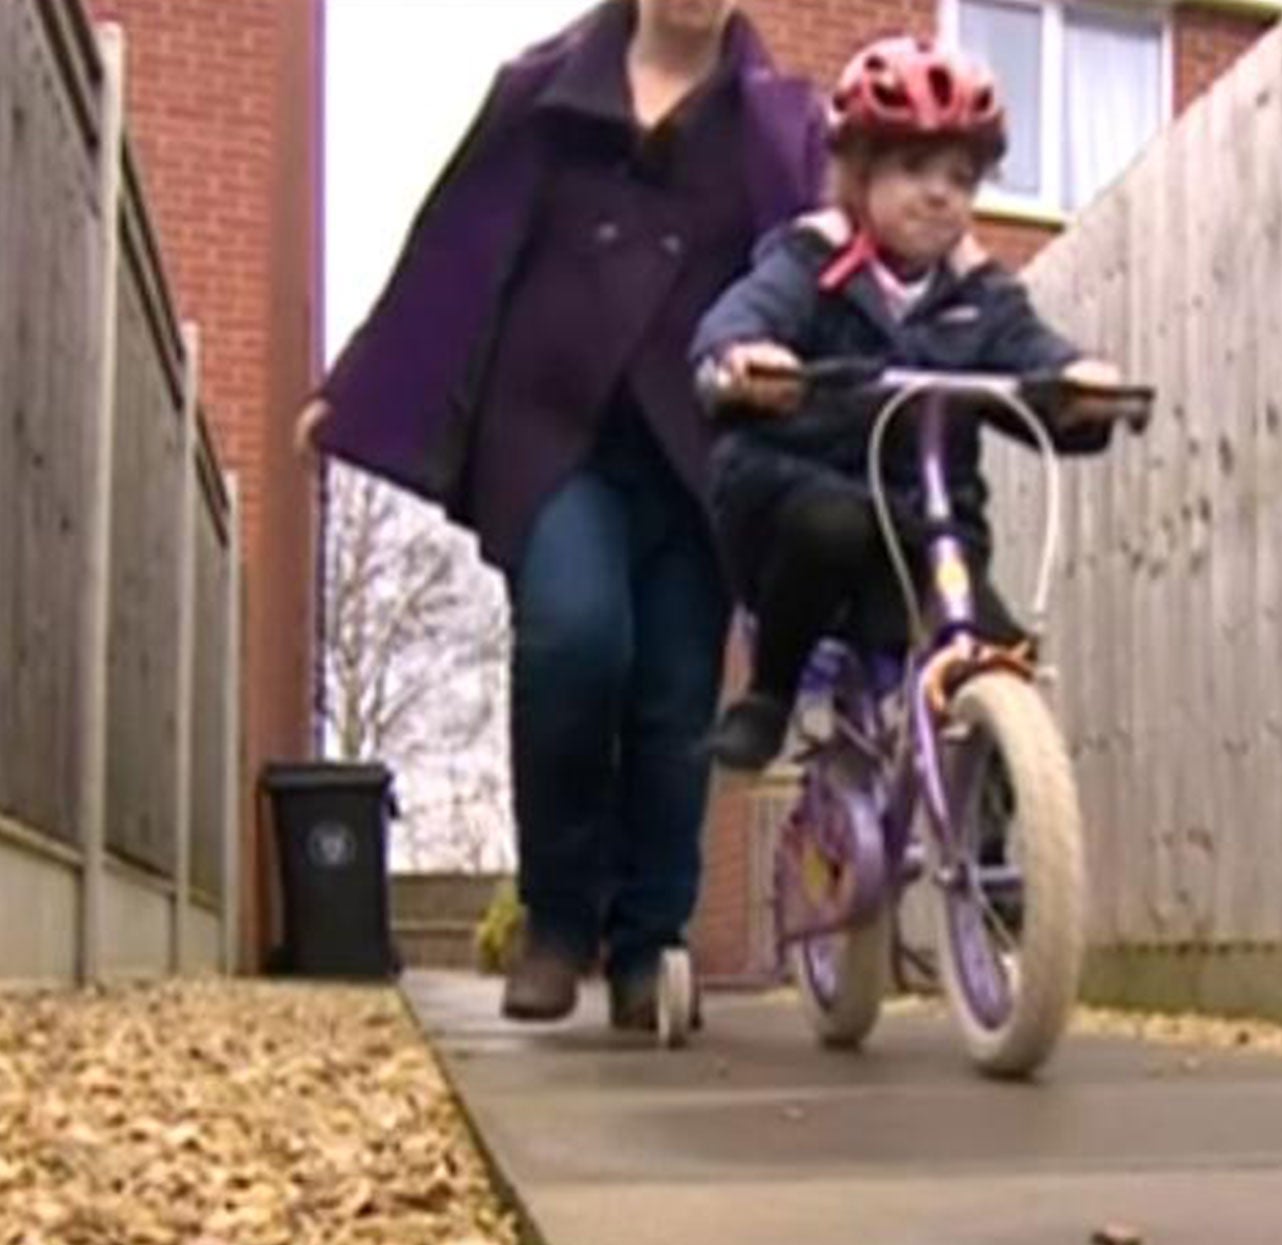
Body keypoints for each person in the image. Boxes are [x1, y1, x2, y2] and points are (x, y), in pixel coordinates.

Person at [298, 0, 826, 1027]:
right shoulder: (541, 93)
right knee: (575, 641)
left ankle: (647, 945)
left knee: (677, 696)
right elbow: (452, 245)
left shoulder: (778, 122)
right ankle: (555, 922)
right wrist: (358, 385)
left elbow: (816, 266)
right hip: (553, 431)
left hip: (700, 448)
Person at [688, 36, 1124, 772]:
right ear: (857, 177)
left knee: (998, 650)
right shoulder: (809, 264)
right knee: (832, 521)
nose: (939, 193)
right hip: (795, 504)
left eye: (961, 177)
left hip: (925, 525)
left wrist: (1077, 384)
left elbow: (1030, 350)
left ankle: (999, 840)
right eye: (914, 168)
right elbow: (741, 319)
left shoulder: (980, 295)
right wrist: (747, 357)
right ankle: (770, 696)